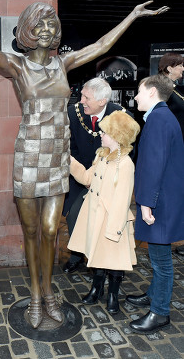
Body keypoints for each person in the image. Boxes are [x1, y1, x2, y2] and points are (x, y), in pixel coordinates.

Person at [0, 0, 168, 329]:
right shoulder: (17, 66)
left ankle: (49, 293)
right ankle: (35, 295)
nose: (46, 29)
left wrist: (131, 14)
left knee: (49, 230)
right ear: (28, 30)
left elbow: (102, 45)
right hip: (29, 155)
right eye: (39, 24)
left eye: (51, 24)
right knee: (31, 231)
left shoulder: (63, 64)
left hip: (58, 155)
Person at [126, 74, 184, 334]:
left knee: (161, 262)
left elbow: (154, 165)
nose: (135, 97)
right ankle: (153, 294)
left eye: (139, 91)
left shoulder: (159, 119)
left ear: (151, 92)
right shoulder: (161, 117)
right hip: (164, 199)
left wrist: (146, 204)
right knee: (157, 256)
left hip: (160, 202)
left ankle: (160, 312)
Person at [68, 111, 140, 314]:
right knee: (97, 256)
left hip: (112, 221)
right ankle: (96, 288)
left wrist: (115, 229)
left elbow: (122, 199)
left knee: (115, 262)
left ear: (117, 136)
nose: (101, 134)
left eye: (105, 132)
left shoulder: (125, 164)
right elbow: (87, 178)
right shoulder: (102, 157)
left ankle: (113, 295)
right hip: (95, 217)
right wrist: (69, 160)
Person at [62, 77, 133, 273]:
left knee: (102, 219)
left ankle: (99, 260)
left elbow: (128, 151)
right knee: (73, 215)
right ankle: (77, 255)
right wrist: (86, 177)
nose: (81, 101)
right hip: (81, 174)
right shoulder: (73, 113)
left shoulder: (121, 116)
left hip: (108, 177)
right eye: (82, 95)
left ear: (102, 101)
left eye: (86, 98)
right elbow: (70, 147)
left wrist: (101, 174)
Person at [158, 52, 184, 256]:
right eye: (180, 65)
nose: (183, 69)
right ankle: (161, 237)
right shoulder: (160, 89)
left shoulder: (178, 89)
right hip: (171, 152)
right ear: (169, 68)